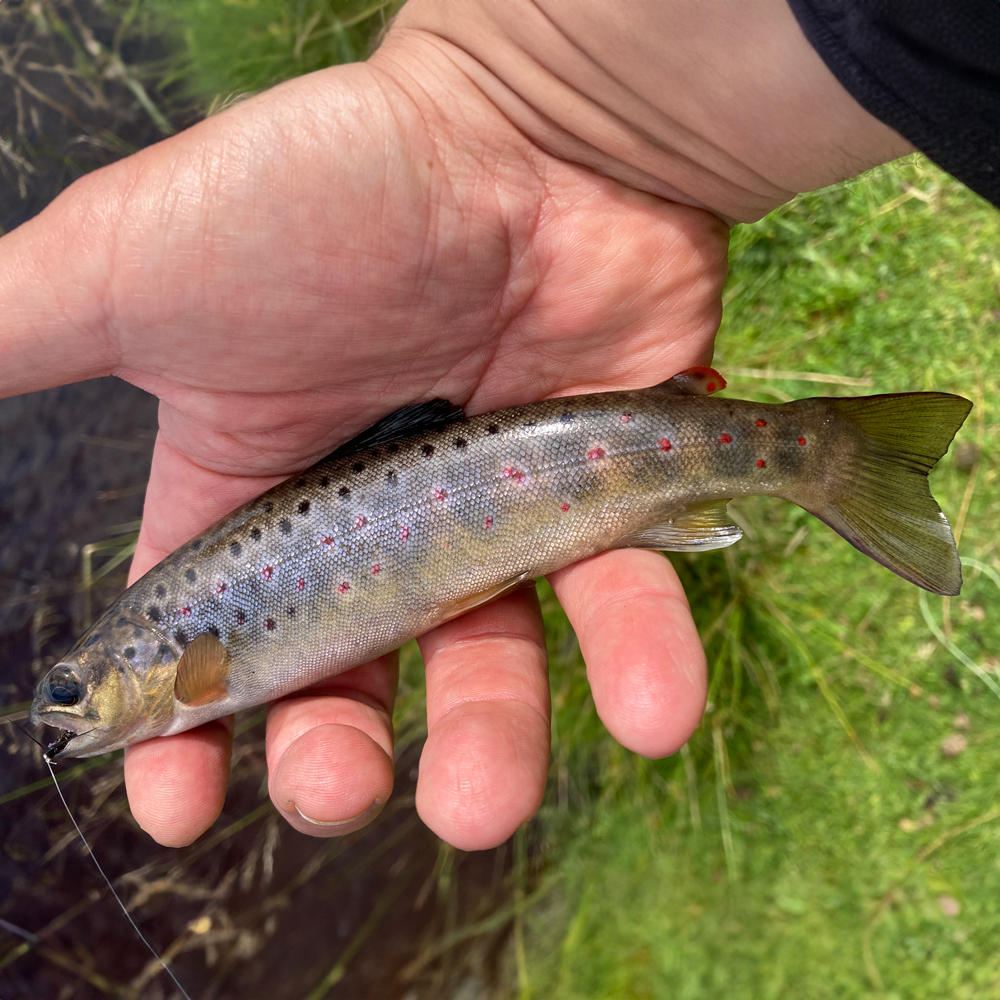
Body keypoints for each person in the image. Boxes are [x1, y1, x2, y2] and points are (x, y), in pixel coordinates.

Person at [1, 0, 995, 849]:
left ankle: (818, 453)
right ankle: (802, 455)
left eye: (76, 691)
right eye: (72, 701)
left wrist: (523, 93)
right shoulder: (179, 651)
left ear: (141, 660)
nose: (72, 712)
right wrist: (536, 82)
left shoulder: (189, 655)